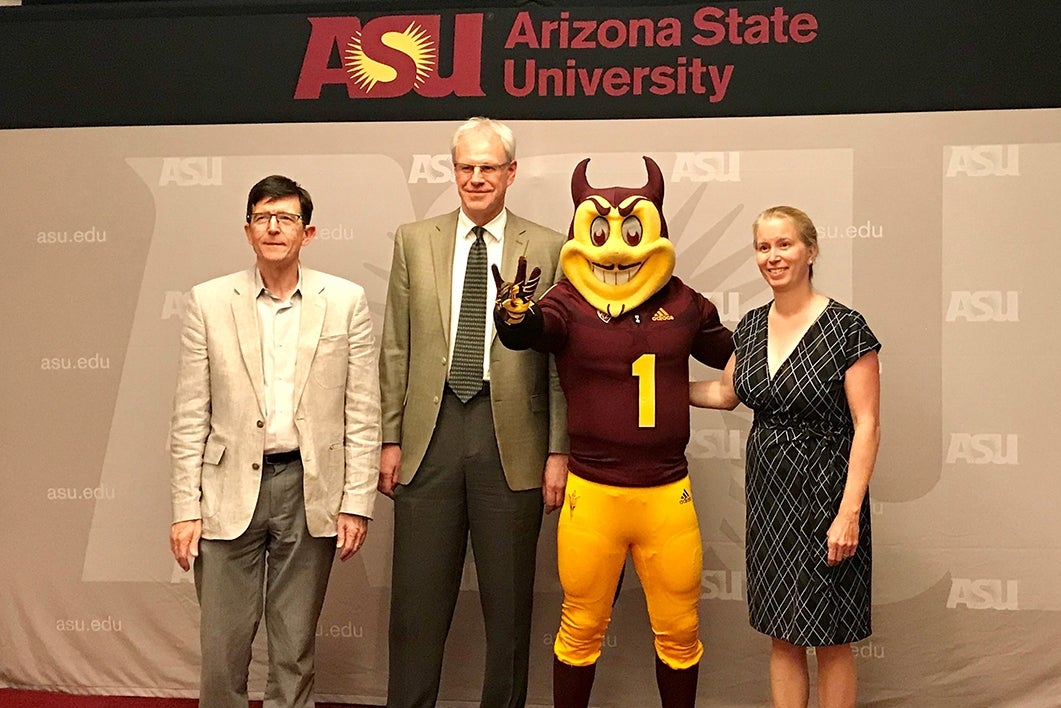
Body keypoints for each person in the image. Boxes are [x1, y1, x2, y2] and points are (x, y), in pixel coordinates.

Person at [494, 156, 734, 708]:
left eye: (631, 232)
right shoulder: (567, 301)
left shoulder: (684, 301)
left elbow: (739, 355)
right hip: (593, 494)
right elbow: (534, 332)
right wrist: (513, 318)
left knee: (679, 634)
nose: (617, 249)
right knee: (578, 632)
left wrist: (788, 328)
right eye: (600, 232)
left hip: (667, 495)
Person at [377, 117, 569, 708]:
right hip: (428, 436)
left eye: (490, 167)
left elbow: (562, 359)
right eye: (467, 167)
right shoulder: (414, 239)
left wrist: (559, 449)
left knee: (510, 610)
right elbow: (395, 346)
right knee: (415, 606)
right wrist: (389, 437)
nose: (477, 178)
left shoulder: (550, 246)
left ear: (512, 173)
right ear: (452, 170)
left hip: (511, 440)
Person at [168, 175, 381, 708]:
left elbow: (363, 410)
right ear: (247, 230)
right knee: (222, 647)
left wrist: (357, 502)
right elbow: (190, 412)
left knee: (294, 646)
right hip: (225, 490)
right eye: (263, 217)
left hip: (310, 488)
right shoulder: (208, 302)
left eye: (286, 218)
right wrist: (183, 508)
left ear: (308, 233)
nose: (274, 227)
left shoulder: (346, 302)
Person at [690, 205, 881, 708]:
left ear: (810, 251)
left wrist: (849, 513)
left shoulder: (847, 328)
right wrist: (652, 384)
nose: (772, 256)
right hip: (770, 499)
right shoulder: (751, 326)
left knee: (833, 637)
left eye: (784, 244)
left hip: (828, 498)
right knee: (783, 631)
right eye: (763, 247)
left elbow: (867, 424)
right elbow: (725, 394)